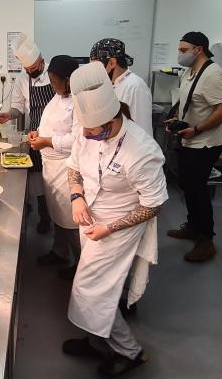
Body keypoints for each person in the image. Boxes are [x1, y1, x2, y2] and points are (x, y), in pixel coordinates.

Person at [62, 62, 167, 376]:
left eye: (93, 132)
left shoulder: (141, 152)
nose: (86, 135)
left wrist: (110, 227)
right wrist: (76, 196)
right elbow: (73, 166)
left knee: (92, 289)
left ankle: (130, 352)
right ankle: (95, 338)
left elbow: (154, 206)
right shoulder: (88, 129)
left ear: (111, 122)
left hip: (120, 226)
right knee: (93, 287)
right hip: (90, 218)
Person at [164, 31, 222, 262]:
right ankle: (193, 226)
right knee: (188, 186)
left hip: (204, 143)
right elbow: (188, 102)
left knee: (198, 190)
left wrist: (197, 129)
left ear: (199, 49)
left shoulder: (213, 74)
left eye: (184, 50)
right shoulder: (189, 72)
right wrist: (176, 119)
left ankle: (206, 240)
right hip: (189, 140)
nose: (180, 54)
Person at [29, 55, 81, 276]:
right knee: (56, 215)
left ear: (68, 80)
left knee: (71, 220)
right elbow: (48, 124)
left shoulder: (78, 103)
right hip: (50, 166)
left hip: (66, 168)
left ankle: (81, 265)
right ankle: (60, 251)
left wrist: (47, 141)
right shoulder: (58, 98)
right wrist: (37, 134)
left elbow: (78, 140)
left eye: (53, 81)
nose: (51, 85)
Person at [0, 34, 55, 234]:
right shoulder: (23, 79)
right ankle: (44, 217)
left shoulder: (53, 75)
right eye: (27, 70)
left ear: (41, 60)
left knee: (56, 182)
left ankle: (58, 219)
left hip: (56, 136)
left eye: (34, 69)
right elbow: (18, 108)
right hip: (36, 134)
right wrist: (8, 114)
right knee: (38, 179)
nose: (30, 72)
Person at [90, 38, 153, 137]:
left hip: (131, 148)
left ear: (112, 63)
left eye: (96, 67)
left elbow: (143, 131)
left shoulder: (135, 87)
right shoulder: (113, 84)